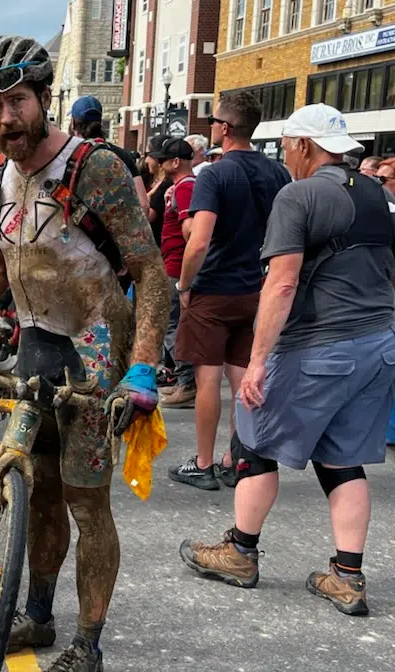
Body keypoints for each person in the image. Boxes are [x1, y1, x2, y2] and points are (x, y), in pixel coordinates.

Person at [0, 35, 170, 672]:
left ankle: (87, 649)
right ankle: (37, 615)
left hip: (95, 351)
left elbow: (152, 274)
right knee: (36, 490)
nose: (5, 118)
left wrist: (143, 367)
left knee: (87, 502)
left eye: (17, 102)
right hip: (36, 344)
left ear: (43, 99)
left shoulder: (93, 169)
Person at [179, 104, 395, 617]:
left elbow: (282, 282)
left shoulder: (299, 195)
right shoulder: (377, 195)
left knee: (253, 436)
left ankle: (240, 551)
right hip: (378, 342)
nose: (285, 155)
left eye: (288, 146)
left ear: (303, 145)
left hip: (319, 343)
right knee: (342, 459)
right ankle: (346, 576)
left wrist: (256, 362)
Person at [169, 91, 290, 490]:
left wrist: (185, 285)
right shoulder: (277, 174)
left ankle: (203, 462)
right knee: (243, 377)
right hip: (256, 287)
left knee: (208, 379)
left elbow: (199, 241)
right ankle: (236, 458)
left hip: (215, 286)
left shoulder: (215, 174)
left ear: (223, 128)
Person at [154, 138, 198, 407]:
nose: (159, 164)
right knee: (173, 325)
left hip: (177, 266)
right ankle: (184, 380)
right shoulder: (181, 187)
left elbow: (191, 231)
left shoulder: (185, 188)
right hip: (174, 264)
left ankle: (187, 382)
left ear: (175, 162)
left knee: (174, 326)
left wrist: (184, 279)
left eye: (163, 160)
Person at [70, 95, 151, 216]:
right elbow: (144, 204)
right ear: (100, 122)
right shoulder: (123, 155)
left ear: (72, 123)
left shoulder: (70, 158)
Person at [144, 136, 168, 248]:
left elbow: (147, 216)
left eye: (148, 155)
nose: (146, 160)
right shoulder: (155, 181)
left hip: (159, 246)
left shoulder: (166, 185)